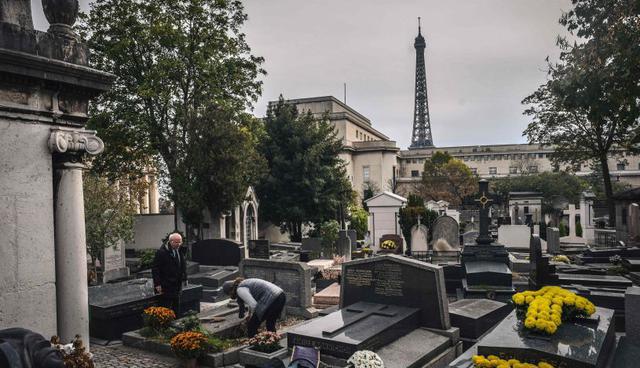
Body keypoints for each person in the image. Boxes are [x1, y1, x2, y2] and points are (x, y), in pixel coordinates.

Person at [222, 278, 286, 337]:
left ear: (231, 289)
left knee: (251, 326)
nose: (231, 296)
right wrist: (249, 314)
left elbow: (253, 305)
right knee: (270, 324)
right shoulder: (244, 283)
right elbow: (251, 300)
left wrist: (253, 317)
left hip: (272, 299)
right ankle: (272, 343)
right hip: (280, 295)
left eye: (229, 294)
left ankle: (256, 344)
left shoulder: (240, 289)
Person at [152, 232, 187, 315]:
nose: (179, 244)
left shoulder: (180, 250)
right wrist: (157, 284)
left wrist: (185, 278)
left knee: (176, 308)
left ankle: (175, 322)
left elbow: (182, 266)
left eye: (180, 242)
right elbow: (155, 269)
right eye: (176, 242)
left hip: (177, 285)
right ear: (171, 242)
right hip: (166, 285)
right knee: (166, 309)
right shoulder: (162, 252)